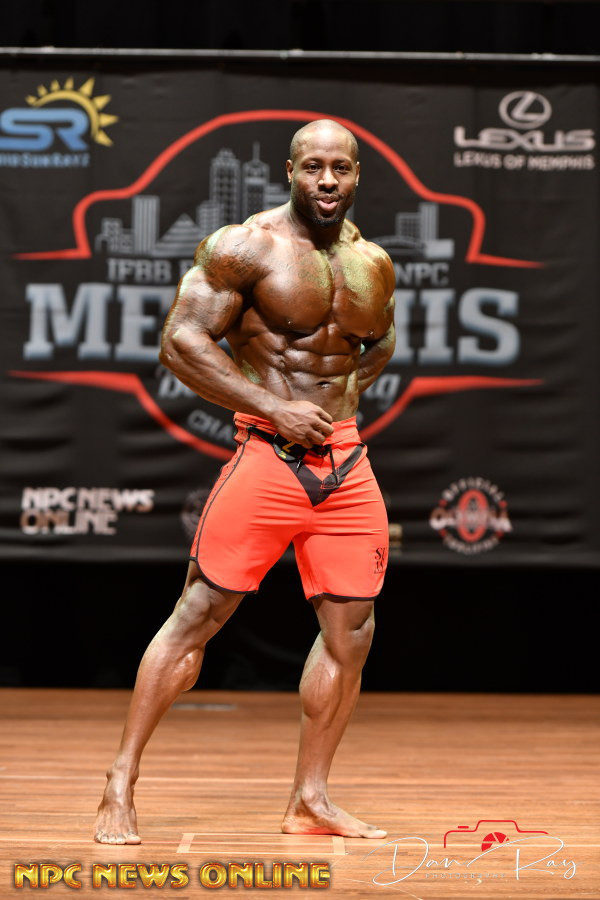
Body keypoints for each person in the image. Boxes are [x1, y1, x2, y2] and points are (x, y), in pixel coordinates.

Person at [94, 119, 396, 844]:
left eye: (341, 168)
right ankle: (120, 782)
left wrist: (337, 405)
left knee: (353, 632)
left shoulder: (374, 262)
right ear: (290, 171)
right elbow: (180, 341)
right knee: (198, 613)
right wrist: (274, 406)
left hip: (346, 463)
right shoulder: (246, 246)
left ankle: (310, 799)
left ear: (357, 175)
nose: (328, 180)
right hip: (268, 455)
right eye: (313, 166)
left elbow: (379, 341)